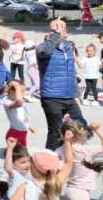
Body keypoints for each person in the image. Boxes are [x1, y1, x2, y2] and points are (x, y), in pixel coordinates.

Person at [36, 18, 84, 151]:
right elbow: (45, 52)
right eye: (54, 29)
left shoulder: (69, 47)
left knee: (79, 125)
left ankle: (65, 154)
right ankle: (49, 160)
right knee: (56, 132)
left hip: (68, 96)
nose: (57, 31)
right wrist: (56, 35)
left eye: (61, 28)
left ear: (66, 30)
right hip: (52, 97)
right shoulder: (43, 47)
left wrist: (76, 94)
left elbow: (71, 72)